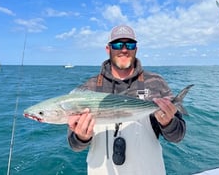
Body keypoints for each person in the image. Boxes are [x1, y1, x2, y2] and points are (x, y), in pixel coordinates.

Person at [67, 25, 186, 175]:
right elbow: (74, 145)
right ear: (108, 49)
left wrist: (168, 123)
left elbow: (178, 136)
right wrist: (81, 137)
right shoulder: (88, 88)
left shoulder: (156, 82)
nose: (124, 49)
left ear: (136, 49)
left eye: (129, 44)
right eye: (117, 44)